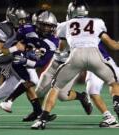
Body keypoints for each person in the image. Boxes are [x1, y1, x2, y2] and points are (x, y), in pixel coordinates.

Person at [31, 0, 119, 129]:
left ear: (71, 12)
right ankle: (116, 102)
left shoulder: (65, 25)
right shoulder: (98, 22)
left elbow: (61, 48)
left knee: (55, 88)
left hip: (76, 56)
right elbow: (113, 45)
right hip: (95, 56)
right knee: (113, 82)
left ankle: (42, 119)